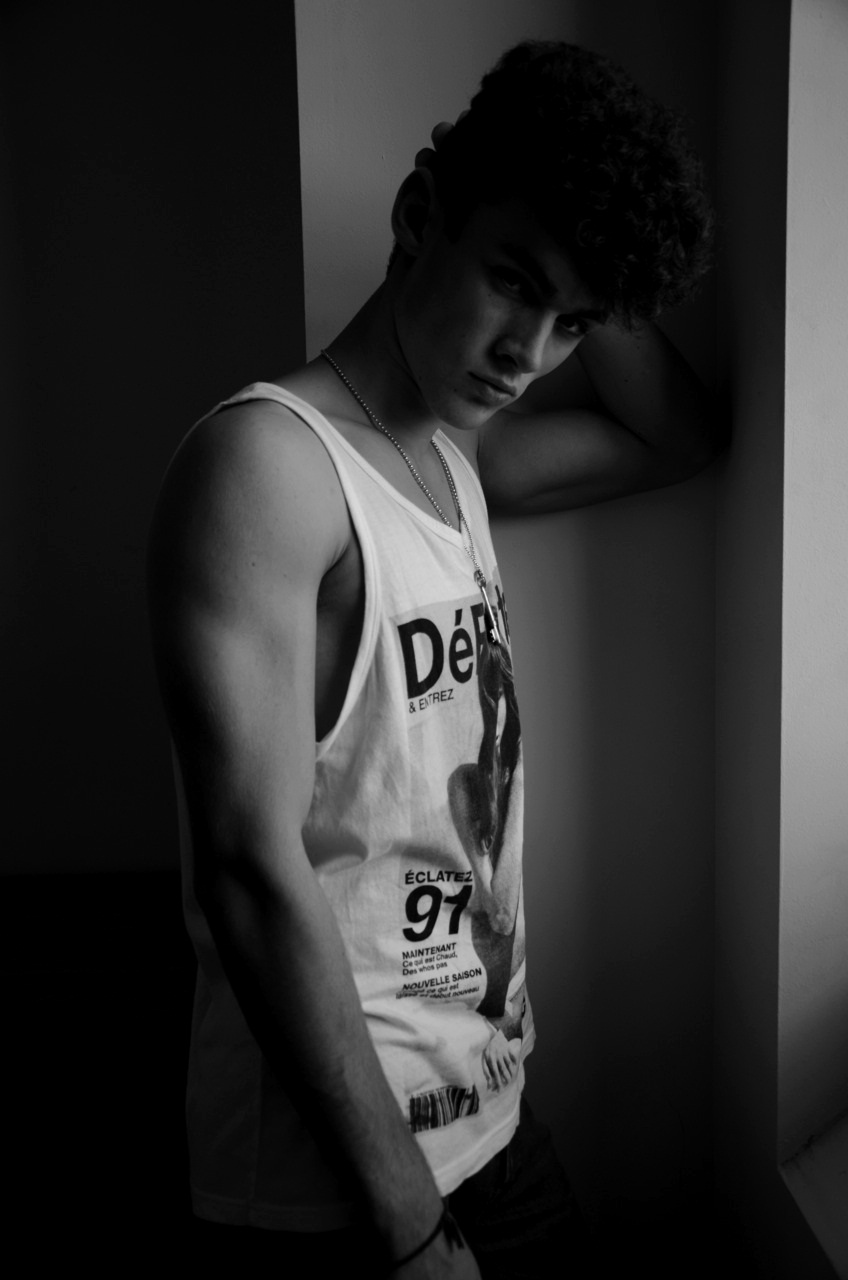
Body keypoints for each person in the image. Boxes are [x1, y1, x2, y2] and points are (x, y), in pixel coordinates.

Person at [147, 39, 715, 1278]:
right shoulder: (268, 466)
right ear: (419, 213)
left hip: (485, 1111)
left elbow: (676, 436)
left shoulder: (455, 464)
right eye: (512, 282)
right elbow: (249, 869)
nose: (527, 353)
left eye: (572, 324)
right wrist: (406, 1224)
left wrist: (600, 264)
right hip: (335, 1181)